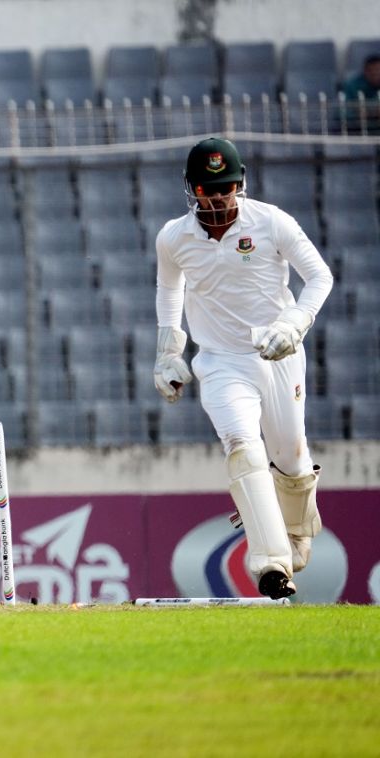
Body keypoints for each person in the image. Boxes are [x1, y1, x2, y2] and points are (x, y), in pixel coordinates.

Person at [153, 137, 333, 600]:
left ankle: (297, 534)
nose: (218, 198)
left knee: (290, 460)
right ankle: (270, 564)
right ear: (191, 188)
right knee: (241, 445)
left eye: (226, 188)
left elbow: (320, 276)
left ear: (240, 184)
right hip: (220, 361)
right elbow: (169, 290)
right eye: (207, 189)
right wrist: (170, 351)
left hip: (278, 353)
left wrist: (294, 323)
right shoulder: (173, 237)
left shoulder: (271, 222)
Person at [341, 53, 380, 132]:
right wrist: (358, 114)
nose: (375, 74)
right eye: (370, 71)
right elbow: (341, 112)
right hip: (358, 130)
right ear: (364, 71)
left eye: (378, 70)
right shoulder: (351, 85)